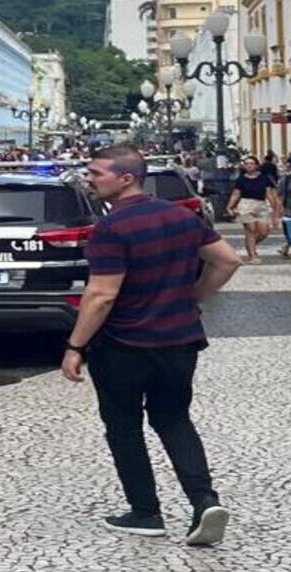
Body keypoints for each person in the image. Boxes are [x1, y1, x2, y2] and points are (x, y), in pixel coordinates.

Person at [63, 144, 243, 546]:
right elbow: (228, 261)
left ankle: (145, 512)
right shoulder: (182, 217)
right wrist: (193, 297)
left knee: (124, 426)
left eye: (96, 173)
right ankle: (203, 502)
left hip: (123, 344)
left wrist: (75, 346)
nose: (88, 179)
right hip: (180, 340)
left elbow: (101, 296)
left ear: (125, 178)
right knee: (174, 418)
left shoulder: (112, 228)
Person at [227, 156, 278, 263]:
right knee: (250, 230)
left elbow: (269, 193)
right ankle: (253, 254)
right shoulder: (241, 179)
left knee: (264, 231)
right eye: (247, 164)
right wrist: (230, 206)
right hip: (245, 204)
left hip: (261, 204)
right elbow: (236, 194)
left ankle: (251, 245)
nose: (249, 166)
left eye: (251, 163)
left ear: (256, 165)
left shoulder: (264, 178)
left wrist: (274, 207)